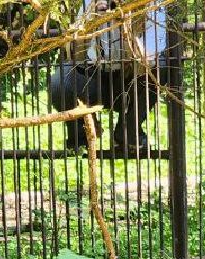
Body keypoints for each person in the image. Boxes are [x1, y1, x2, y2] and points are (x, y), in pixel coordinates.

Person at [48, 0, 172, 154]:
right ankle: (82, 135)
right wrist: (90, 24)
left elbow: (149, 59)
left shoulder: (154, 4)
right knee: (60, 80)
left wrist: (125, 27)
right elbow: (76, 57)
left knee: (162, 67)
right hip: (96, 75)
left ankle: (128, 133)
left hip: (133, 80)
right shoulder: (91, 2)